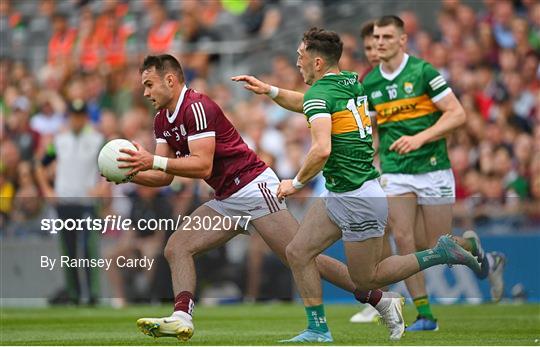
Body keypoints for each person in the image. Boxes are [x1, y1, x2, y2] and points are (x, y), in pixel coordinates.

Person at [117, 54, 407, 342]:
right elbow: (164, 176)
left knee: (304, 258)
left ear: (170, 79)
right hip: (227, 198)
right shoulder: (161, 120)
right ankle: (182, 318)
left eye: (149, 84)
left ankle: (381, 300)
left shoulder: (196, 107)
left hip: (254, 188)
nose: (145, 92)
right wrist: (129, 174)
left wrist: (152, 161)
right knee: (177, 247)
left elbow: (201, 165)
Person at [233, 27, 481, 342]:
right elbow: (309, 102)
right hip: (341, 192)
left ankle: (439, 252)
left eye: (301, 56)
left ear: (318, 62)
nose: (298, 63)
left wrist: (294, 183)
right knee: (297, 251)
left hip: (358, 197)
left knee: (367, 278)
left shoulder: (322, 94)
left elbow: (321, 148)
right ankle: (318, 329)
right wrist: (270, 90)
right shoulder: (350, 81)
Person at [349, 17, 506, 326]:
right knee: (403, 238)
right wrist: (369, 159)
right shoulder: (369, 82)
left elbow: (457, 113)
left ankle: (478, 252)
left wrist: (420, 138)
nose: (379, 43)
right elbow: (373, 130)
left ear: (402, 40)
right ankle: (424, 313)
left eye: (386, 37)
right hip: (396, 170)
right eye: (376, 37)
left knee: (437, 243)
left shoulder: (423, 72)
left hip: (432, 167)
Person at [35, 99, 104, 305]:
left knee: (89, 249)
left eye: (80, 116)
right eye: (74, 116)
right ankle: (74, 294)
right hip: (64, 200)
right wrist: (47, 189)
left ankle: (92, 294)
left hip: (86, 201)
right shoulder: (59, 141)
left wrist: (102, 187)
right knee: (68, 250)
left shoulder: (97, 140)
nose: (77, 120)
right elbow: (40, 164)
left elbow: (109, 166)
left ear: (85, 117)